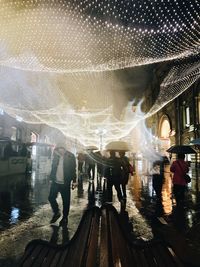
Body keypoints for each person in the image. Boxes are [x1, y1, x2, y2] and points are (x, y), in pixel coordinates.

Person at [48, 143, 76, 225]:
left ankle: (65, 217)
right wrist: (51, 178)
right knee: (51, 197)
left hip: (65, 182)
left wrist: (74, 180)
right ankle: (56, 212)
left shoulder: (70, 156)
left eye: (61, 150)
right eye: (58, 150)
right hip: (55, 182)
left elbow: (73, 169)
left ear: (64, 149)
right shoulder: (56, 155)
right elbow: (53, 167)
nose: (60, 152)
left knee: (66, 201)